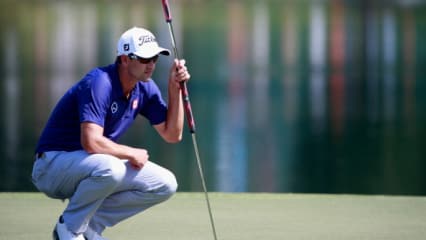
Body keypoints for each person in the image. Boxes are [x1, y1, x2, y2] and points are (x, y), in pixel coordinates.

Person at [31, 26, 190, 240]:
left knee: (165, 183)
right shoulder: (99, 82)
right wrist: (131, 153)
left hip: (91, 165)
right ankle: (67, 229)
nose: (151, 65)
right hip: (51, 166)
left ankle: (88, 226)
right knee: (112, 167)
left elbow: (173, 134)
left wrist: (175, 88)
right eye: (144, 59)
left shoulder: (144, 88)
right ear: (125, 59)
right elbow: (91, 141)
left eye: (154, 58)